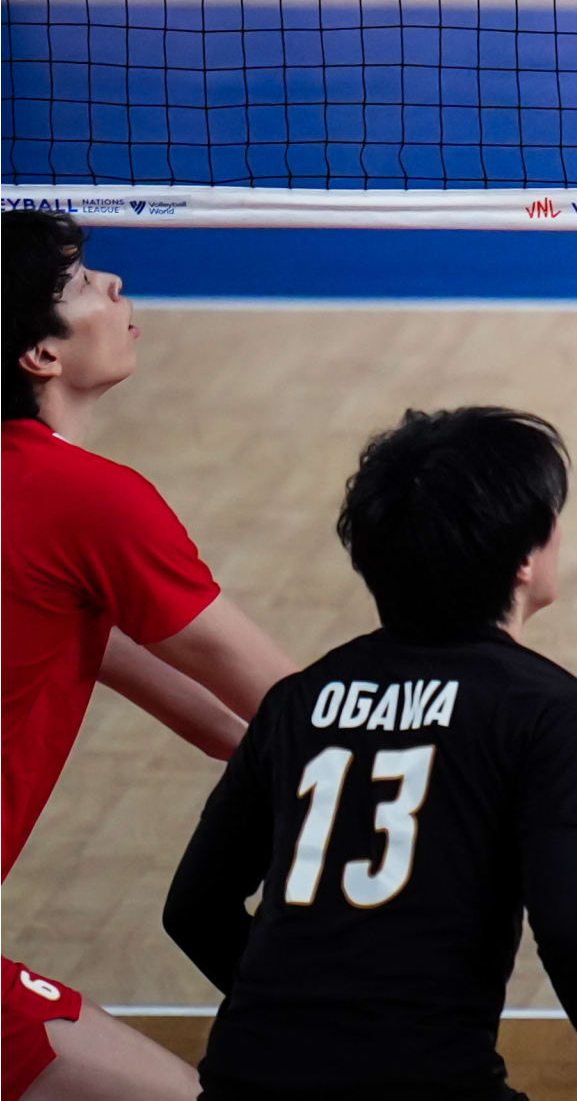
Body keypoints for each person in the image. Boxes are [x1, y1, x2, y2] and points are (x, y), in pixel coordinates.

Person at [165, 407, 577, 1101]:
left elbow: (195, 907)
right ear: (525, 558)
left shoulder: (299, 699)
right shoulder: (554, 711)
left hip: (244, 1079)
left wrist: (316, 1023)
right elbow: (572, 927)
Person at [6, 211, 300, 1101]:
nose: (116, 286)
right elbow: (298, 702)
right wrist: (514, 791)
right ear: (41, 356)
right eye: (83, 282)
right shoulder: (88, 500)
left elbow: (224, 719)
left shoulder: (46, 523)